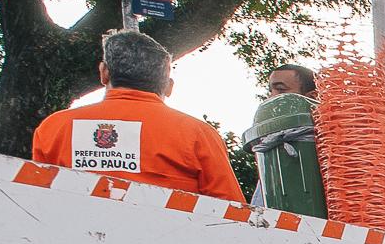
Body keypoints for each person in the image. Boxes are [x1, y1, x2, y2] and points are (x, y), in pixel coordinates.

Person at [31, 31, 245, 202]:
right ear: (168, 87)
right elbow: (232, 213)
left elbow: (36, 199)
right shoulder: (197, 135)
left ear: (104, 73)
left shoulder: (54, 128)